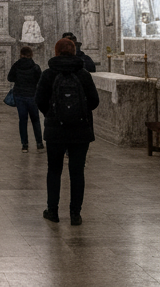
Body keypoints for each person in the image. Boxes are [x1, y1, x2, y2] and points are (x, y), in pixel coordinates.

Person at [37, 37, 100, 225]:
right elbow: (94, 101)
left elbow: (39, 100)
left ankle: (53, 211)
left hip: (56, 130)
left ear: (56, 52)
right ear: (74, 51)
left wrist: (52, 114)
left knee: (54, 170)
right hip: (81, 130)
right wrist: (79, 112)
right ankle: (75, 214)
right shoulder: (83, 74)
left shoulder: (48, 74)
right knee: (77, 172)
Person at [7, 46, 44, 152]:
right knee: (35, 120)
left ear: (21, 54)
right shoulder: (35, 67)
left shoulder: (16, 66)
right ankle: (39, 144)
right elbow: (40, 81)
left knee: (22, 120)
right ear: (31, 54)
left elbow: (10, 78)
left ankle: (25, 145)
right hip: (32, 95)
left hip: (19, 96)